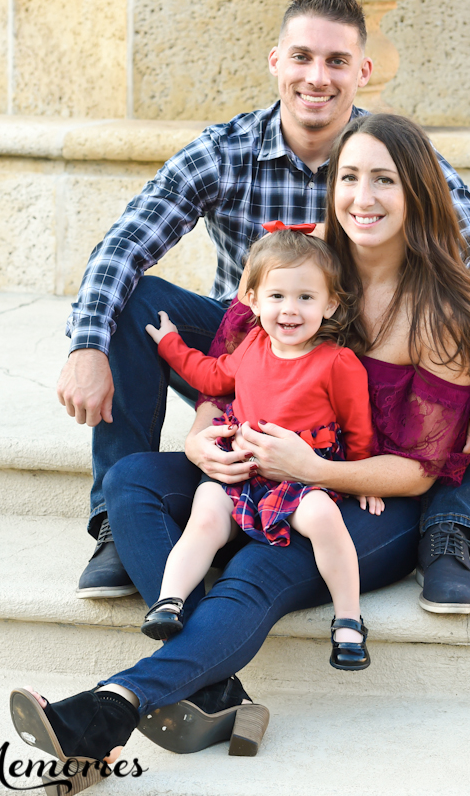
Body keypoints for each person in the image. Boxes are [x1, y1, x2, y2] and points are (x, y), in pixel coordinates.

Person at [10, 112, 470, 788]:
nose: (362, 196)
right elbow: (234, 361)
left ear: (415, 190)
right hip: (261, 472)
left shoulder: (443, 307)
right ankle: (211, 693)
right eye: (348, 177)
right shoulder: (304, 261)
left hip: (365, 499)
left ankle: (110, 708)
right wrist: (204, 432)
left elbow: (416, 471)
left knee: (256, 574)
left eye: (383, 180)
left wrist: (315, 469)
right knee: (131, 480)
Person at [58, 0, 470, 613]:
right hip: (250, 341)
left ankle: (449, 529)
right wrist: (87, 345)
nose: (318, 77)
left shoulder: (387, 154)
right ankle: (118, 523)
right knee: (134, 302)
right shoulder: (224, 152)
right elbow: (123, 245)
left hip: (357, 345)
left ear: (362, 72)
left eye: (337, 62)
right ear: (276, 61)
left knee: (463, 330)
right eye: (302, 57)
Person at [141, 227, 377, 671]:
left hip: (301, 475)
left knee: (324, 517)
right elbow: (210, 377)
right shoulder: (251, 346)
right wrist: (170, 343)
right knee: (206, 511)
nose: (290, 309)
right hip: (244, 469)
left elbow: (358, 425)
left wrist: (363, 476)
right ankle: (169, 601)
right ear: (251, 298)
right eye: (277, 296)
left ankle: (348, 620)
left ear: (330, 305)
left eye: (306, 298)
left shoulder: (337, 362)